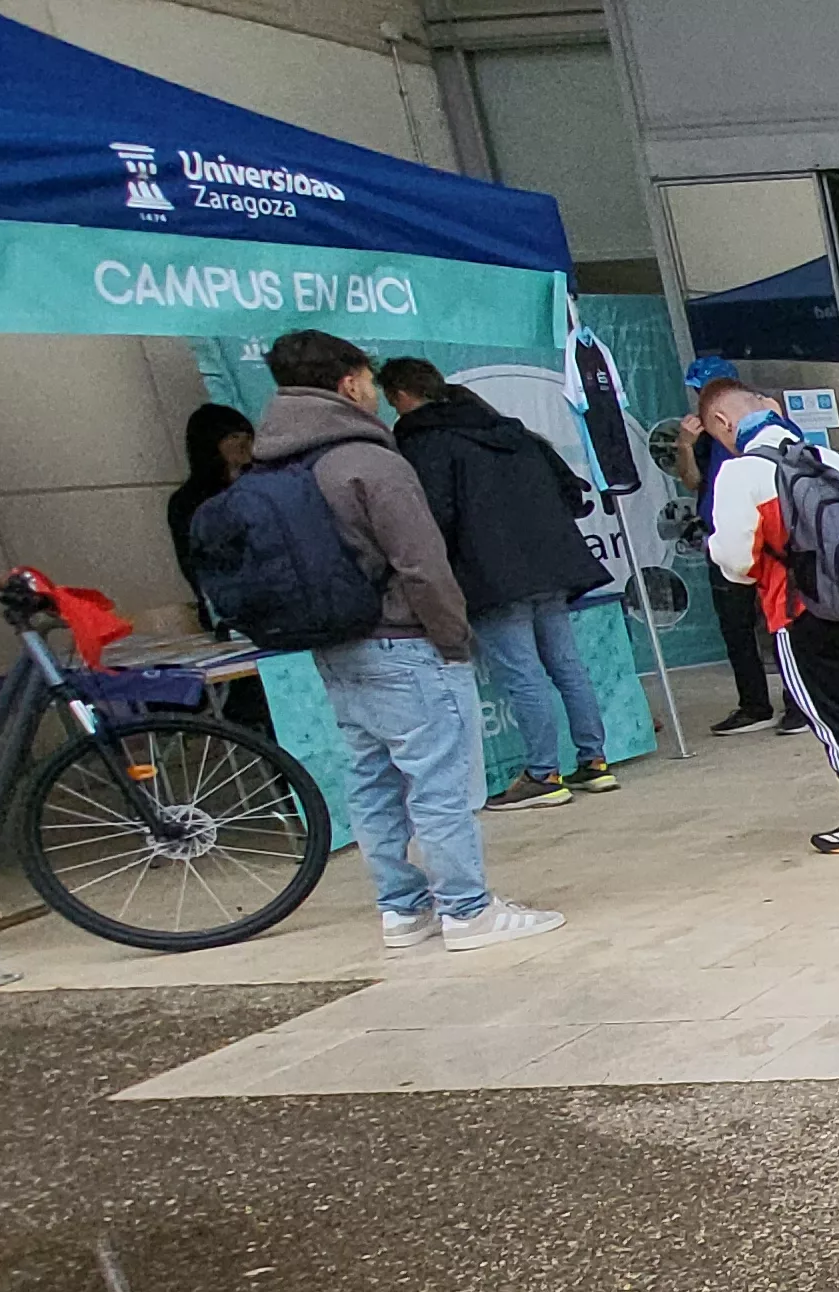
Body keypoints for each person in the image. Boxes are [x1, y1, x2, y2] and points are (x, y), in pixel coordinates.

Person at [249, 328, 561, 951]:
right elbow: (421, 561)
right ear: (349, 383)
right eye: (367, 380)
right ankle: (468, 910)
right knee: (440, 782)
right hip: (404, 640)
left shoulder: (276, 462)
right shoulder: (367, 459)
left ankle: (401, 908)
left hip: (336, 647)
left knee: (373, 781)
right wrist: (452, 637)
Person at [379, 357, 620, 809]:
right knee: (566, 665)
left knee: (523, 674)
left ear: (400, 397)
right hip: (553, 566)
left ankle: (542, 774)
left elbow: (433, 517)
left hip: (491, 574)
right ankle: (595, 762)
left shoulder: (425, 443)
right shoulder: (513, 433)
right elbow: (573, 493)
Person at [700, 378, 839, 853]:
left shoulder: (741, 473)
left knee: (833, 718)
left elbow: (736, 561)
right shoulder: (828, 459)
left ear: (723, 422)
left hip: (799, 611)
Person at [675, 356, 799, 737]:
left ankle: (799, 703)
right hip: (726, 536)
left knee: (783, 620)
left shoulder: (767, 423)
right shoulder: (705, 435)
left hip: (773, 538)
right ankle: (754, 704)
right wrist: (685, 444)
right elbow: (693, 482)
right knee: (736, 626)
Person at [165, 403, 255, 613]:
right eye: (233, 437)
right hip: (228, 608)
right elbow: (195, 565)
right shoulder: (188, 501)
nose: (244, 445)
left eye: (248, 437)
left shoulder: (262, 485)